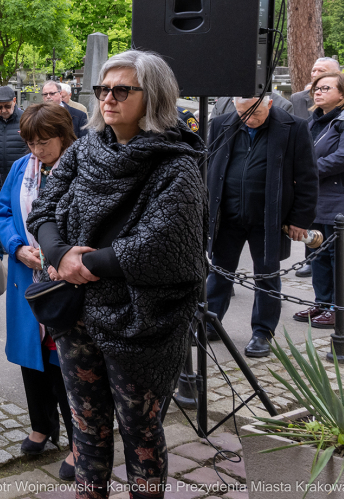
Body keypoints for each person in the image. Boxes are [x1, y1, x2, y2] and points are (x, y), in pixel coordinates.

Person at [26, 50, 207, 499]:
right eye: (104, 89)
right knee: (86, 430)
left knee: (141, 432)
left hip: (138, 319)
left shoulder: (175, 163)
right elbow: (46, 208)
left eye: (123, 89)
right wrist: (60, 254)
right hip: (77, 311)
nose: (109, 98)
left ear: (155, 96)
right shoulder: (88, 147)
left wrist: (83, 264)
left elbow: (163, 245)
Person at [0, 102, 78, 480]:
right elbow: (2, 213)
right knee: (33, 359)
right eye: (30, 143)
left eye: (44, 142)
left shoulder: (79, 168)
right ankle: (42, 425)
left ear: (63, 136)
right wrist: (16, 245)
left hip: (64, 278)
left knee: (66, 363)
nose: (37, 151)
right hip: (25, 276)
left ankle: (81, 441)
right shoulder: (19, 168)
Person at [205, 96, 318, 357]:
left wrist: (300, 219)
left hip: (269, 218)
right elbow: (211, 167)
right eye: (242, 113)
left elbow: (308, 177)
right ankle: (210, 324)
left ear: (268, 104)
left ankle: (262, 332)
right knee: (220, 274)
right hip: (228, 216)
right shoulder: (222, 123)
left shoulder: (294, 127)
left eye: (253, 113)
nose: (248, 119)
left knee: (267, 276)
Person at [295, 72, 344, 329]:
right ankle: (323, 303)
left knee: (341, 257)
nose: (317, 92)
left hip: (343, 201)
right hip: (317, 199)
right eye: (316, 88)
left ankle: (341, 311)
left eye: (325, 88)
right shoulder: (316, 121)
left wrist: (304, 173)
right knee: (318, 255)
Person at [0, 85, 28, 190]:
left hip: (19, 177)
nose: (3, 110)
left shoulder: (26, 119)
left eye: (7, 106)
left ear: (14, 101)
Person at [212, 92, 292, 119]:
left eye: (256, 113)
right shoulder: (222, 103)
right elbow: (211, 134)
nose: (249, 120)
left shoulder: (283, 105)